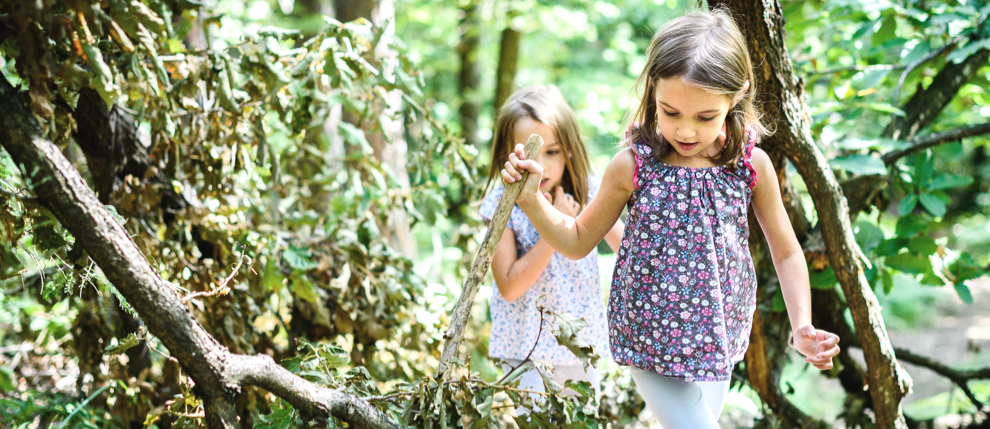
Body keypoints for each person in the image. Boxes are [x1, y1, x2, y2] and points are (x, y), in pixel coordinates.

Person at [500, 9, 841, 428]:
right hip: (649, 340)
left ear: (736, 97)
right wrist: (534, 202)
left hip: (716, 337)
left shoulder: (751, 166)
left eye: (705, 117)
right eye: (670, 111)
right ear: (652, 91)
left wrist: (802, 324)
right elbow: (575, 240)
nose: (685, 130)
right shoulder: (632, 166)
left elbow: (787, 253)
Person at [479, 85, 623, 415]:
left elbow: (625, 247)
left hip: (579, 346)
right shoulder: (503, 204)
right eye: (530, 153)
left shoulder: (586, 192)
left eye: (552, 152)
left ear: (570, 149)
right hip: (525, 348)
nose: (540, 166)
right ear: (506, 152)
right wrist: (556, 229)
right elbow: (510, 286)